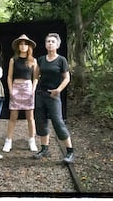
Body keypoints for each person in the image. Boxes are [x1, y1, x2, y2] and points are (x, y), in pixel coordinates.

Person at [33, 33, 75, 163]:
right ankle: (44, 149)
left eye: (53, 41)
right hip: (40, 94)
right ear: (45, 44)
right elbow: (35, 76)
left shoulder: (61, 60)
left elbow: (67, 78)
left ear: (57, 44)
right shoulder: (40, 59)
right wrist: (33, 90)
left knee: (58, 122)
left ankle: (69, 151)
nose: (50, 43)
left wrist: (58, 90)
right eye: (48, 41)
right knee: (40, 121)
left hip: (54, 95)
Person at [2, 34, 38, 153]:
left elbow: (36, 77)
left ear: (29, 46)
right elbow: (9, 76)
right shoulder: (13, 60)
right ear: (18, 46)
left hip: (28, 88)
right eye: (21, 44)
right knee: (13, 117)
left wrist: (33, 90)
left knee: (30, 117)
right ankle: (8, 141)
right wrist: (11, 90)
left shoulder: (33, 61)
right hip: (16, 87)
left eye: (25, 44)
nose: (23, 46)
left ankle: (32, 141)